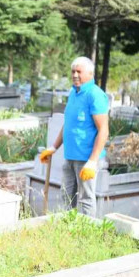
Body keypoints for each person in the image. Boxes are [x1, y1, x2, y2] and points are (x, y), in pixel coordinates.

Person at [39, 56, 109, 216]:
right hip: (70, 156)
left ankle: (86, 234)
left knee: (85, 199)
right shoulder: (73, 92)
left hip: (86, 159)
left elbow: (103, 130)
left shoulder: (95, 95)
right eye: (73, 71)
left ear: (90, 74)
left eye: (79, 72)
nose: (75, 75)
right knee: (66, 197)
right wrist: (53, 147)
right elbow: (68, 124)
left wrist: (92, 161)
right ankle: (67, 230)